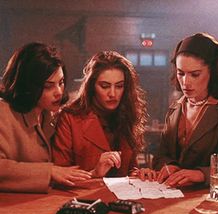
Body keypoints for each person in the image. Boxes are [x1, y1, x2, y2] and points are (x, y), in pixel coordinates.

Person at [0, 42, 92, 193]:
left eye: (61, 83)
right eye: (48, 86)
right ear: (28, 86)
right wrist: (49, 172)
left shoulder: (49, 114)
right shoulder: (3, 113)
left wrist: (95, 172)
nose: (59, 92)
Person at [151, 32, 218, 187]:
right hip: (174, 197)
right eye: (180, 73)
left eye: (195, 74)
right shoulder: (175, 108)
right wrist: (169, 165)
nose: (185, 82)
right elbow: (161, 155)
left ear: (213, 73)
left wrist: (202, 174)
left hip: (215, 200)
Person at [52, 51, 147, 178]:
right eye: (105, 86)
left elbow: (128, 170)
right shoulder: (70, 118)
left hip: (120, 196)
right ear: (91, 86)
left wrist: (139, 174)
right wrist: (94, 173)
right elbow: (59, 176)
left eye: (119, 86)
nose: (113, 94)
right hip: (84, 196)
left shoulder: (126, 115)